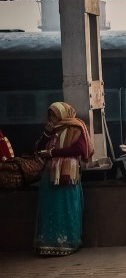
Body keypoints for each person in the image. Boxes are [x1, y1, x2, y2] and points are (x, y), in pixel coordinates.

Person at [33, 102, 93, 256]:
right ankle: (48, 243)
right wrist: (46, 133)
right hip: (51, 175)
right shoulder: (53, 130)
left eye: (54, 115)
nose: (52, 118)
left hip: (67, 174)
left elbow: (79, 149)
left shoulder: (76, 127)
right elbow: (39, 148)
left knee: (66, 207)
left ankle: (68, 243)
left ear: (62, 114)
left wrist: (53, 153)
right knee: (50, 208)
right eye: (50, 115)